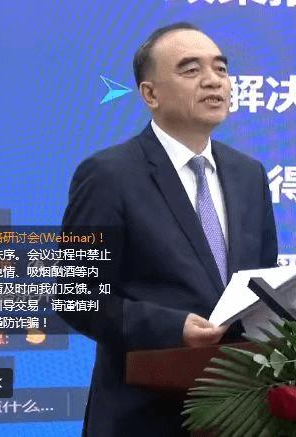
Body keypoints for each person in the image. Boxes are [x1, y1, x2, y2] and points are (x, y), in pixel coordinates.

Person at [60, 22, 278, 436]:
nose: (213, 80)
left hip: (241, 413)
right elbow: (77, 298)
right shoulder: (108, 175)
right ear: (150, 94)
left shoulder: (248, 174)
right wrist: (171, 328)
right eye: (191, 70)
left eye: (221, 68)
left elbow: (262, 283)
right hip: (142, 415)